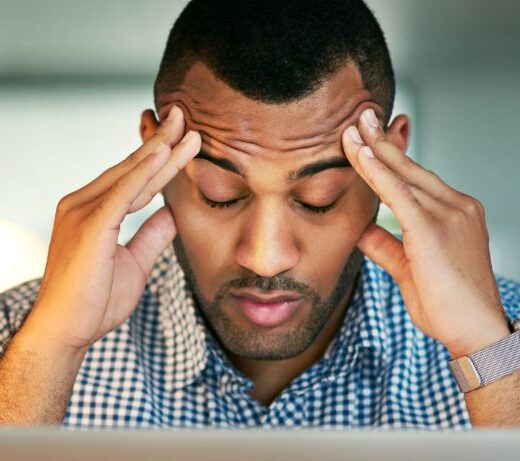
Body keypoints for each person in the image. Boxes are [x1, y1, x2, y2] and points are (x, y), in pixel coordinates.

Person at [1, 0, 519, 429]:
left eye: (320, 197)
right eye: (220, 193)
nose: (266, 258)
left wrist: (488, 351)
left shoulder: (507, 336)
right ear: (152, 158)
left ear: (395, 164)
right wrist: (51, 351)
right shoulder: (16, 335)